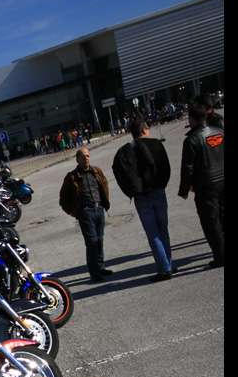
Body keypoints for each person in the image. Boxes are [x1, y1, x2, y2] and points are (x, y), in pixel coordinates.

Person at [112, 118, 174, 281]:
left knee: (153, 233)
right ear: (144, 130)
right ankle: (168, 264)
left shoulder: (124, 151)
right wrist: (162, 183)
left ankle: (164, 268)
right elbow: (166, 167)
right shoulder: (156, 144)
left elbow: (118, 172)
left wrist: (131, 191)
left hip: (141, 196)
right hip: (158, 191)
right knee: (163, 229)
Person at [178, 102, 224, 268]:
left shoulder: (192, 140)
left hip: (206, 187)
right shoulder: (219, 132)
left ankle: (220, 256)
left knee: (212, 223)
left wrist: (184, 190)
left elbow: (187, 169)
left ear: (192, 119)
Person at [59, 147, 113, 282]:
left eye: (88, 156)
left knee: (99, 240)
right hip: (85, 213)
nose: (86, 158)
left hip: (99, 210)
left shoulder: (96, 171)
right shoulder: (71, 177)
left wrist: (104, 203)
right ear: (77, 159)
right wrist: (75, 212)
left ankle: (101, 267)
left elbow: (104, 186)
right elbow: (63, 199)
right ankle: (94, 274)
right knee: (92, 243)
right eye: (83, 156)